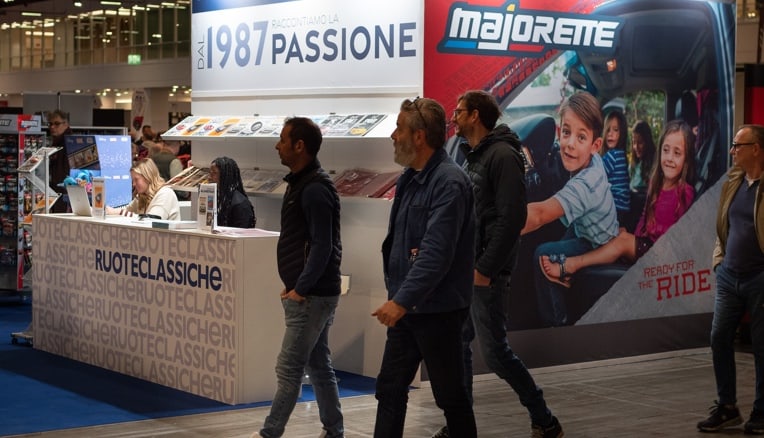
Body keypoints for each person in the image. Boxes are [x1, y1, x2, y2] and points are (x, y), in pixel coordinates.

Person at [427, 90, 562, 438]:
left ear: (475, 115)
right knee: (460, 346)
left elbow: (511, 218)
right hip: (466, 269)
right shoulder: (474, 154)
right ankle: (460, 423)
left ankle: (545, 419)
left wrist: (485, 268)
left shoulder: (502, 155)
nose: (454, 118)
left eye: (459, 112)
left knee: (496, 353)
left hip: (486, 273)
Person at [372, 97, 477, 438]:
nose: (393, 136)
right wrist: (401, 299)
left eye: (399, 129)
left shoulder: (449, 182)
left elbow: (435, 253)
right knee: (389, 389)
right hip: (409, 309)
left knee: (451, 398)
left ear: (419, 137)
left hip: (439, 312)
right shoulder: (410, 178)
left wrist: (401, 300)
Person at [252, 117, 343, 438]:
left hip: (313, 295)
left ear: (299, 146)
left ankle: (270, 433)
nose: (277, 145)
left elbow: (323, 245)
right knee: (318, 365)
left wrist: (301, 288)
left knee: (288, 367)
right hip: (310, 292)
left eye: (282, 140)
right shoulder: (303, 184)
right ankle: (334, 430)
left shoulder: (314, 189)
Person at [540, 119, 696, 285]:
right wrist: (635, 236)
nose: (670, 158)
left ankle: (572, 265)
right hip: (647, 244)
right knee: (619, 234)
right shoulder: (655, 183)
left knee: (622, 241)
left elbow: (681, 236)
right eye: (666, 150)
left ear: (686, 158)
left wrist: (636, 240)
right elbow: (644, 216)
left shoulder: (685, 192)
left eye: (677, 153)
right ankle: (576, 275)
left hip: (662, 253)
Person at [520, 91, 619, 327]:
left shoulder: (585, 185)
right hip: (587, 227)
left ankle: (557, 323)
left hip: (595, 242)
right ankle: (564, 277)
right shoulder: (591, 160)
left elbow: (539, 215)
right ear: (559, 132)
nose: (570, 144)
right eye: (566, 132)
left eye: (581, 137)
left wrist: (497, 223)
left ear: (595, 145)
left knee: (542, 254)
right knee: (556, 234)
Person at [697, 124, 764, 434]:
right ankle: (727, 407)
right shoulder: (733, 181)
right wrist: (718, 262)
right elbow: (723, 226)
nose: (733, 150)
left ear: (757, 149)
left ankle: (761, 411)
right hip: (729, 276)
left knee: (761, 346)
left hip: (759, 278)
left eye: (739, 145)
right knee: (719, 338)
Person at [106, 158, 180, 220]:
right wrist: (110, 211)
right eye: (132, 180)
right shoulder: (142, 196)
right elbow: (127, 210)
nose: (133, 184)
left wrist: (118, 212)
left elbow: (151, 220)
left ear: (148, 177)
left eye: (136, 179)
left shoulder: (165, 194)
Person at [626, 120, 657, 230]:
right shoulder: (634, 164)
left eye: (640, 143)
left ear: (647, 142)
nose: (636, 147)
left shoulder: (653, 164)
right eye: (634, 142)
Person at [602, 110, 630, 226]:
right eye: (608, 130)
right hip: (623, 207)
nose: (610, 134)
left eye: (615, 130)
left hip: (615, 207)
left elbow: (596, 174)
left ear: (622, 133)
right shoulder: (621, 154)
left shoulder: (612, 155)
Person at [209, 156, 255, 228]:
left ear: (225, 175)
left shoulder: (239, 203)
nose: (209, 177)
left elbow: (242, 231)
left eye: (214, 173)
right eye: (210, 173)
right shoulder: (217, 197)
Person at [47, 109, 73, 213]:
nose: (52, 127)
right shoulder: (56, 142)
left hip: (65, 191)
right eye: (50, 124)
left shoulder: (70, 142)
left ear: (66, 124)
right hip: (56, 190)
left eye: (57, 124)